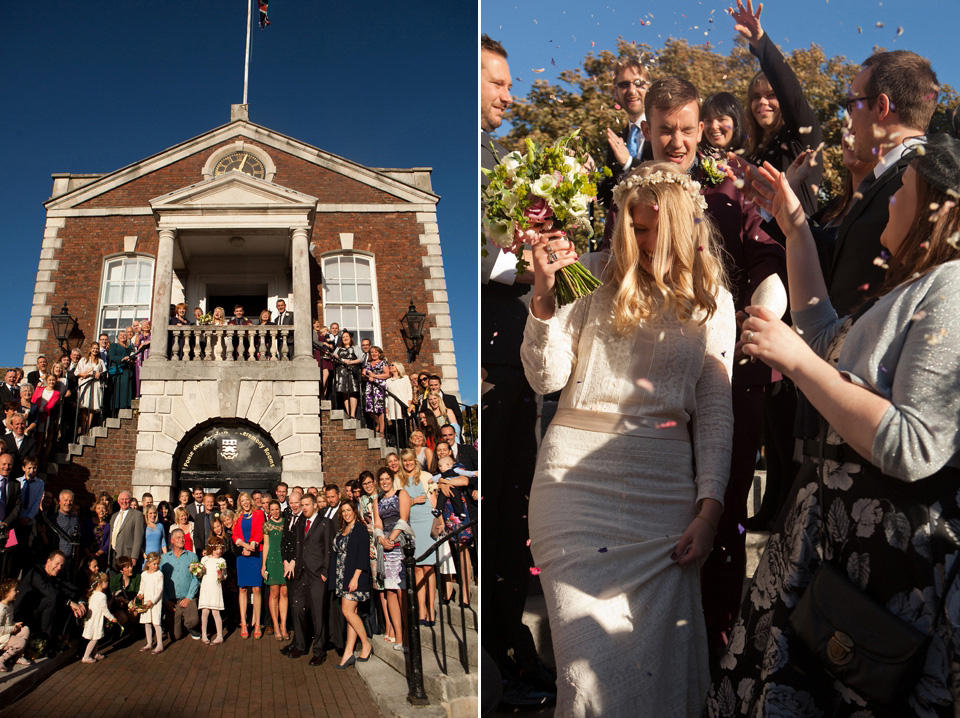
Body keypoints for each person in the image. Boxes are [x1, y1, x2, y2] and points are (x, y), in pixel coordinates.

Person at [706, 119, 960, 715]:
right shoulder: (912, 288)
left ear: (937, 211)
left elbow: (914, 442)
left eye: (904, 190)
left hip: (884, 569)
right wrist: (795, 225)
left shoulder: (951, 288)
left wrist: (795, 362)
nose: (892, 198)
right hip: (833, 537)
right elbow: (821, 335)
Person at [522, 160, 734, 716]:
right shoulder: (588, 273)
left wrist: (708, 512)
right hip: (573, 492)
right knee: (585, 671)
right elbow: (544, 378)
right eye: (632, 227)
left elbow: (714, 410)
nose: (638, 240)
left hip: (664, 499)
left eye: (651, 229)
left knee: (657, 674)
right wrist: (544, 297)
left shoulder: (712, 295)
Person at [597, 55, 654, 213]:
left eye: (638, 83)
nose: (631, 91)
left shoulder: (662, 130)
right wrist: (589, 176)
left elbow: (667, 175)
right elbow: (609, 198)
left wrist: (629, 163)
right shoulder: (617, 140)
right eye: (623, 85)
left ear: (650, 88)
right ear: (616, 91)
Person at [285, 492, 334, 665]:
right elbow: (298, 547)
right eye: (302, 505)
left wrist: (325, 571)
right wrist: (294, 563)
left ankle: (319, 650)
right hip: (301, 573)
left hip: (317, 574)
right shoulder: (300, 523)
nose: (303, 507)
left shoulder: (325, 523)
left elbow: (328, 549)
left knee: (318, 612)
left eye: (306, 505)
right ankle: (301, 644)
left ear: (315, 505)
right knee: (297, 607)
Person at [330, 499, 373, 668]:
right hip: (343, 576)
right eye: (344, 511)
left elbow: (363, 554)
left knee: (347, 612)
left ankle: (366, 644)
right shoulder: (343, 530)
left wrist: (355, 577)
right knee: (351, 614)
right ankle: (349, 653)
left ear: (355, 511)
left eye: (349, 510)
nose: (347, 513)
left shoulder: (360, 529)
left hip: (355, 577)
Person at [399, 449, 439, 625]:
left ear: (415, 461)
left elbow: (434, 499)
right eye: (405, 461)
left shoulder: (425, 475)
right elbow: (400, 503)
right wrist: (414, 501)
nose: (408, 464)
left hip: (427, 519)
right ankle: (421, 609)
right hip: (412, 522)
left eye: (410, 460)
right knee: (417, 568)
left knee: (429, 567)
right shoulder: (398, 479)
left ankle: (431, 608)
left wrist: (437, 521)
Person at [373, 467, 411, 650]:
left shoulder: (402, 494)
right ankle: (398, 635)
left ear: (392, 478)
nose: (385, 481)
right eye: (381, 479)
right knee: (390, 592)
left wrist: (391, 538)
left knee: (402, 591)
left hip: (400, 544)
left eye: (387, 478)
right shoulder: (377, 499)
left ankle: (408, 635)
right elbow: (377, 523)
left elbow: (404, 519)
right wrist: (381, 539)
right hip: (385, 548)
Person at [159, 528, 201, 641]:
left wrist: (189, 597)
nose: (181, 540)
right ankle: (176, 620)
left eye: (183, 537)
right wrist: (166, 600)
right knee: (175, 636)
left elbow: (196, 579)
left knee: (193, 621)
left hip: (187, 598)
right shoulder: (164, 559)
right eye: (178, 537)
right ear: (172, 541)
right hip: (171, 601)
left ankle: (191, 626)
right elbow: (159, 582)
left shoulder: (192, 557)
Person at [232, 491, 264, 638]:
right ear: (240, 502)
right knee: (243, 589)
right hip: (242, 555)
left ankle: (257, 623)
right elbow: (235, 535)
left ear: (250, 501)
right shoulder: (237, 516)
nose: (245, 502)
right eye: (242, 500)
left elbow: (260, 532)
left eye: (247, 500)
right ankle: (244, 623)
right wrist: (245, 546)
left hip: (256, 554)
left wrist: (252, 548)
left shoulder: (259, 514)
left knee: (257, 589)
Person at [261, 499, 288, 640]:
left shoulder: (286, 523)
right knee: (274, 593)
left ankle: (284, 626)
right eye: (272, 510)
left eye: (277, 509)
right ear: (269, 511)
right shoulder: (267, 525)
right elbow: (266, 545)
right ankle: (276, 626)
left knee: (284, 592)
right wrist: (264, 564)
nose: (275, 512)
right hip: (272, 560)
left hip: (284, 560)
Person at [81, 572, 116, 663]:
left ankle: (95, 653)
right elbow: (105, 610)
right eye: (105, 581)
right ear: (100, 584)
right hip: (96, 620)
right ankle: (86, 656)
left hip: (91, 619)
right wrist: (111, 618)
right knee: (94, 639)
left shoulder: (92, 594)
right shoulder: (102, 596)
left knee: (96, 637)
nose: (107, 583)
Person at [700, 92, 748, 158]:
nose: (714, 126)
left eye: (721, 119)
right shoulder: (697, 161)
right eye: (708, 121)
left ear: (736, 122)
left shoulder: (751, 158)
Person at [198, 537, 227, 645]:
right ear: (212, 549)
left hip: (215, 588)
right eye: (216, 549)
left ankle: (220, 635)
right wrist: (199, 571)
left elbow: (224, 576)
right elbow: (200, 574)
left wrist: (221, 575)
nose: (219, 551)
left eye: (220, 549)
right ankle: (204, 634)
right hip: (206, 587)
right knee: (205, 611)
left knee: (215, 611)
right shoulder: (204, 559)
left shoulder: (222, 561)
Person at [0, 578, 31, 672]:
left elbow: (8, 622)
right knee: (20, 642)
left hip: (7, 633)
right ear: (6, 592)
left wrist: (15, 625)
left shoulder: (10, 606)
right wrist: (12, 628)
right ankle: (1, 659)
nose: (17, 592)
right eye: (15, 590)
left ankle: (17, 657)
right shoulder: (1, 609)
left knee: (25, 629)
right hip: (1, 637)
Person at [137, 552, 164, 653]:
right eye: (154, 564)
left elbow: (159, 590)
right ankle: (149, 643)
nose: (156, 566)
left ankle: (160, 644)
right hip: (146, 602)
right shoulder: (144, 575)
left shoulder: (159, 574)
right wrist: (140, 594)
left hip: (155, 603)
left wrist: (152, 601)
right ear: (148, 563)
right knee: (147, 622)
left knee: (156, 623)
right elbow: (142, 587)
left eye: (157, 564)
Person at [332, 331, 363, 418]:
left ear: (350, 338)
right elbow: (333, 357)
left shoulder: (355, 347)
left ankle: (353, 414)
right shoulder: (338, 348)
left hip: (352, 370)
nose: (345, 338)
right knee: (344, 392)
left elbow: (361, 359)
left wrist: (350, 362)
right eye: (343, 337)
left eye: (347, 336)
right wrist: (336, 358)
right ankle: (348, 412)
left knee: (353, 391)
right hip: (341, 371)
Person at [362, 346, 390, 436]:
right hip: (370, 387)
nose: (374, 354)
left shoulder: (383, 362)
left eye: (375, 352)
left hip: (379, 387)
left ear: (379, 353)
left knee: (380, 410)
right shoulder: (368, 363)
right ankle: (378, 422)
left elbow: (387, 374)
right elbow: (363, 374)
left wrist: (375, 376)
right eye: (372, 352)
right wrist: (368, 376)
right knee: (370, 409)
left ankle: (382, 430)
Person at [107, 555, 141, 630]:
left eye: (131, 566)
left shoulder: (137, 577)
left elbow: (139, 594)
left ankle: (133, 628)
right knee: (123, 618)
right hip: (119, 606)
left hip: (132, 604)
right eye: (127, 567)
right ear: (121, 570)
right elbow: (112, 595)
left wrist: (128, 601)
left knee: (134, 613)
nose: (130, 569)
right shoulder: (115, 580)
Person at [384, 361, 413, 445]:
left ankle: (407, 444)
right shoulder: (388, 381)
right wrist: (386, 406)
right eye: (390, 365)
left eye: (392, 365)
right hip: (392, 406)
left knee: (404, 426)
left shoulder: (405, 378)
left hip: (403, 404)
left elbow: (409, 391)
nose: (390, 366)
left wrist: (409, 403)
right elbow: (386, 395)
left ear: (398, 367)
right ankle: (399, 445)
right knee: (395, 426)